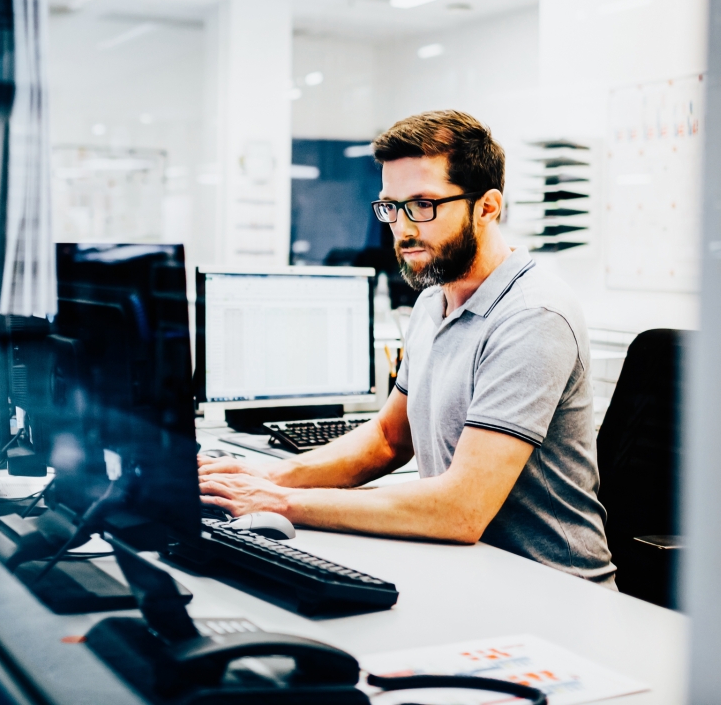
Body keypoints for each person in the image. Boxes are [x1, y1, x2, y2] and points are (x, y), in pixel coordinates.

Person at [199, 110, 615, 586]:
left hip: (553, 588)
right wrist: (265, 477)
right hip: (472, 569)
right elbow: (388, 440)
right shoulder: (433, 301)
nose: (402, 227)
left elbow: (461, 509)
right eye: (391, 207)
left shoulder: (531, 315)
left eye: (423, 204)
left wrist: (278, 503)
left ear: (488, 206)